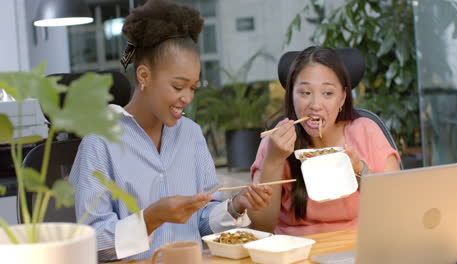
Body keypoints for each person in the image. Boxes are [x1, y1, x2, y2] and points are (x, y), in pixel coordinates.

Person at [70, 0, 272, 261]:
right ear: (144, 76)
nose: (187, 97)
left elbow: (202, 221)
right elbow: (91, 241)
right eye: (178, 87)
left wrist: (236, 206)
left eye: (193, 88)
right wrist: (152, 217)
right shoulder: (99, 142)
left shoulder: (191, 134)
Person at [248, 46, 400, 236]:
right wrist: (273, 160)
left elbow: (397, 209)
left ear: (343, 97)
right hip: (298, 251)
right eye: (304, 93)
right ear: (291, 95)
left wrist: (360, 171)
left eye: (327, 93)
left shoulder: (366, 132)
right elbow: (262, 227)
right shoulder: (275, 141)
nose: (315, 105)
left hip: (359, 248)